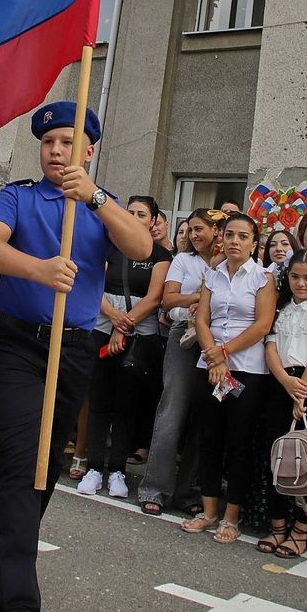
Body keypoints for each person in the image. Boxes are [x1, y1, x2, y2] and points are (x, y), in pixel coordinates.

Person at [0, 102, 151, 612]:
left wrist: (93, 196)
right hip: (18, 343)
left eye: (68, 142)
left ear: (89, 149)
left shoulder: (102, 203)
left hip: (72, 349)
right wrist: (37, 269)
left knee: (42, 467)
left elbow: (142, 248)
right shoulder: (19, 195)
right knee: (18, 464)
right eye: (48, 142)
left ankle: (12, 552)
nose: (56, 151)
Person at [179, 212, 275, 544]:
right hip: (210, 367)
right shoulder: (213, 275)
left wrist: (225, 353)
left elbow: (262, 325)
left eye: (242, 236)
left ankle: (231, 517)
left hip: (247, 368)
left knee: (239, 442)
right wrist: (213, 356)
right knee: (209, 437)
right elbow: (203, 320)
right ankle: (208, 511)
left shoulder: (262, 277)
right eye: (230, 235)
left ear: (253, 242)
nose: (234, 241)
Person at [78, 195, 171, 499]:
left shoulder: (160, 256)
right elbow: (92, 285)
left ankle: (117, 469)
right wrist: (114, 319)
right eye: (128, 212)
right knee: (99, 397)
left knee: (126, 403)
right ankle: (93, 467)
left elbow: (155, 297)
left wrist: (125, 324)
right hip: (104, 323)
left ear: (153, 220)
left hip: (138, 333)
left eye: (141, 213)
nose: (133, 217)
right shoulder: (110, 246)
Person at [139, 207, 225, 517]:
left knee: (204, 418)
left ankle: (188, 490)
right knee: (172, 408)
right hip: (184, 337)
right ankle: (154, 488)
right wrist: (201, 297)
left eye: (201, 229)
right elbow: (168, 299)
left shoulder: (229, 262)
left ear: (217, 232)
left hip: (219, 341)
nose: (194, 234)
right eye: (190, 229)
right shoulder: (182, 260)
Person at [258, 250, 307, 559]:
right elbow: (271, 350)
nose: (301, 284)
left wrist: (301, 391)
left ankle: (301, 529)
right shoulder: (280, 309)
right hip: (281, 384)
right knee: (276, 455)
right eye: (295, 277)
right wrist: (286, 382)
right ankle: (277, 525)